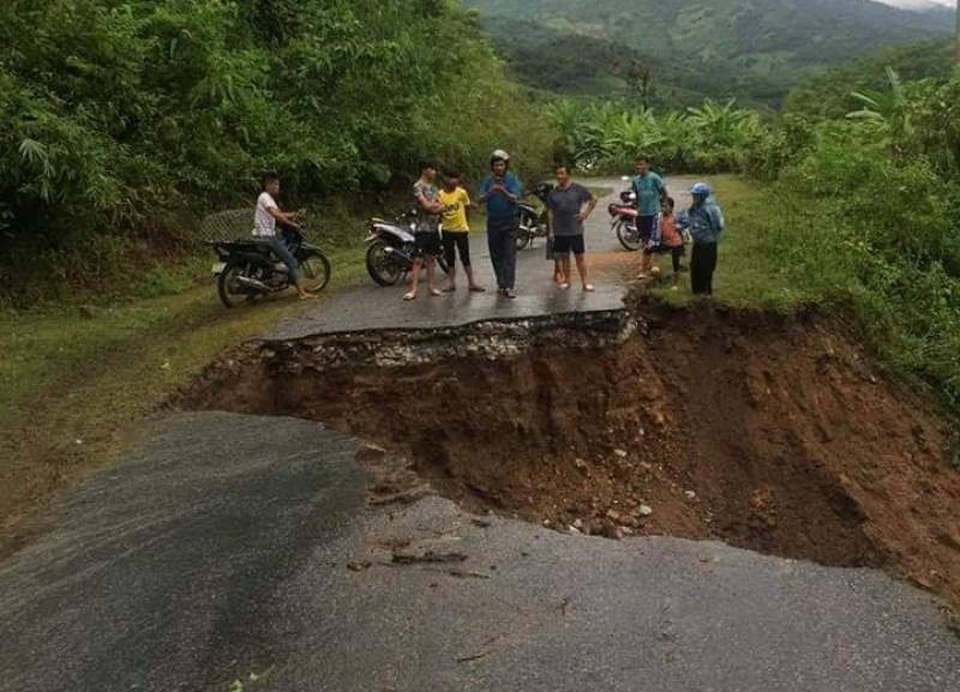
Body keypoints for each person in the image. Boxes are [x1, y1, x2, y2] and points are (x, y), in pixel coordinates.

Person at [253, 172, 315, 300]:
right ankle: (302, 294)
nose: (277, 187)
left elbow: (279, 213)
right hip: (267, 237)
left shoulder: (267, 199)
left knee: (278, 251)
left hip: (264, 235)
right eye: (275, 184)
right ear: (267, 185)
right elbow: (277, 216)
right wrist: (293, 225)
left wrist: (294, 214)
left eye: (278, 184)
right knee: (291, 261)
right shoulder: (265, 197)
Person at [479, 150, 523, 299]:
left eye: (501, 165)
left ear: (506, 166)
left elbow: (515, 198)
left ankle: (509, 286)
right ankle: (501, 282)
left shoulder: (512, 179)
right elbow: (480, 199)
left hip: (510, 221)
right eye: (496, 165)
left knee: (509, 254)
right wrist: (491, 192)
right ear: (492, 167)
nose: (499, 168)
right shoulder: (488, 180)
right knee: (496, 253)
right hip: (493, 221)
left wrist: (503, 191)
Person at [546, 164, 598, 292]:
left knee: (579, 256)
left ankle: (585, 282)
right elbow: (550, 212)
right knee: (564, 257)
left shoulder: (577, 189)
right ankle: (567, 280)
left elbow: (593, 199)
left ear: (568, 175)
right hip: (560, 230)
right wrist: (551, 230)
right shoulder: (553, 193)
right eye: (557, 174)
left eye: (562, 173)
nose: (559, 177)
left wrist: (585, 214)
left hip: (575, 229)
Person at [438, 170, 485, 293]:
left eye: (456, 178)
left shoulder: (461, 193)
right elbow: (438, 211)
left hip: (461, 229)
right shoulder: (440, 194)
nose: (454, 181)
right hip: (447, 229)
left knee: (465, 256)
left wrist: (466, 224)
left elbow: (467, 207)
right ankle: (451, 283)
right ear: (445, 179)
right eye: (451, 178)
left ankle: (471, 283)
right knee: (449, 257)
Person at [403, 160, 444, 301]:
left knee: (431, 259)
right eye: (432, 169)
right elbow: (426, 206)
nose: (434, 172)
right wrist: (435, 206)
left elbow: (442, 205)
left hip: (433, 227)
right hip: (422, 227)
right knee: (418, 259)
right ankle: (413, 290)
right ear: (425, 170)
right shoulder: (418, 187)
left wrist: (435, 207)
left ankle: (431, 286)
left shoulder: (434, 187)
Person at [680, 182, 724, 295]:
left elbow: (718, 224)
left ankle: (706, 293)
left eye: (697, 195)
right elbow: (687, 219)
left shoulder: (711, 208)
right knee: (695, 267)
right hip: (698, 243)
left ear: (703, 196)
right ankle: (696, 292)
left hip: (708, 244)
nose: (694, 198)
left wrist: (711, 235)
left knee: (706, 268)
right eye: (694, 195)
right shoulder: (694, 208)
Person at [631, 156, 667, 277]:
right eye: (637, 165)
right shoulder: (636, 180)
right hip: (642, 214)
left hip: (654, 213)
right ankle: (649, 264)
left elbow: (663, 191)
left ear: (647, 165)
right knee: (645, 240)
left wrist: (664, 205)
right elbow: (636, 194)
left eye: (641, 164)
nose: (639, 167)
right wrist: (636, 205)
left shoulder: (654, 178)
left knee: (653, 240)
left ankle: (645, 268)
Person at [659, 196, 685, 288]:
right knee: (651, 249)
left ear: (671, 208)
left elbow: (680, 231)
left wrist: (682, 246)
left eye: (665, 206)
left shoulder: (675, 218)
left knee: (675, 263)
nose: (663, 209)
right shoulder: (660, 218)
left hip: (676, 243)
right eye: (662, 206)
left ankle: (675, 283)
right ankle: (656, 272)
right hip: (666, 242)